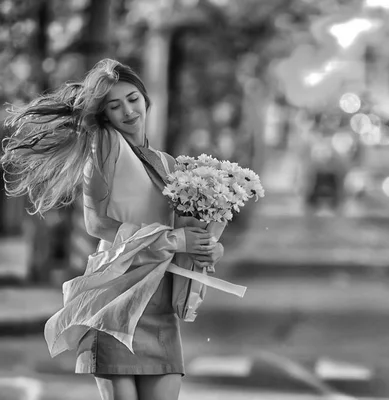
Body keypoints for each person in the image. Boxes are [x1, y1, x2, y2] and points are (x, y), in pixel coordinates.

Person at [0, 58, 224, 400]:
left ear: (146, 99)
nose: (129, 112)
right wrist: (172, 239)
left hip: (160, 305)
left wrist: (208, 248)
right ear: (104, 116)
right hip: (115, 303)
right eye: (115, 106)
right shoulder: (105, 145)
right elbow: (97, 223)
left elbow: (188, 232)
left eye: (133, 99)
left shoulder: (170, 165)